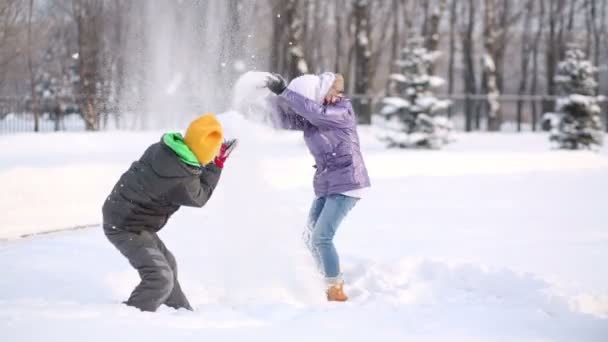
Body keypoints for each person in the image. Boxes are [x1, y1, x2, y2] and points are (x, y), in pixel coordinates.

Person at [102, 113, 236, 312]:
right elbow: (200, 197)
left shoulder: (163, 149)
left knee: (168, 264)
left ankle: (180, 312)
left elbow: (191, 165)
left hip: (127, 216)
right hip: (125, 226)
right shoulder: (182, 178)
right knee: (160, 278)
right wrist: (217, 164)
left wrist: (206, 160)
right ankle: (128, 318)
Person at [265, 72, 371, 302]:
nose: (338, 96)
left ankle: (335, 288)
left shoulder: (340, 112)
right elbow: (283, 120)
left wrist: (284, 91)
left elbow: (314, 112)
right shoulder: (313, 118)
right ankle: (324, 278)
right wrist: (266, 100)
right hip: (327, 182)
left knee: (322, 238)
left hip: (348, 182)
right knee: (310, 237)